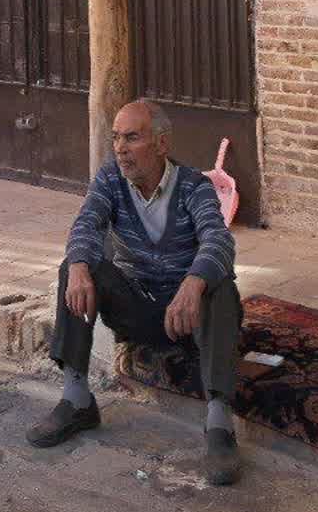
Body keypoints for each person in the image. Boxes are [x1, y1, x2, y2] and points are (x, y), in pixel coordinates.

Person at [26, 99, 243, 486]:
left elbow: (218, 239)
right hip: (138, 311)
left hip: (187, 320)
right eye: (116, 138)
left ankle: (219, 424)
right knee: (77, 265)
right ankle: (77, 398)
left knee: (220, 284)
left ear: (162, 143)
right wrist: (78, 266)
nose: (120, 148)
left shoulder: (194, 186)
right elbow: (87, 222)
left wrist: (194, 282)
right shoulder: (111, 179)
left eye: (132, 138)